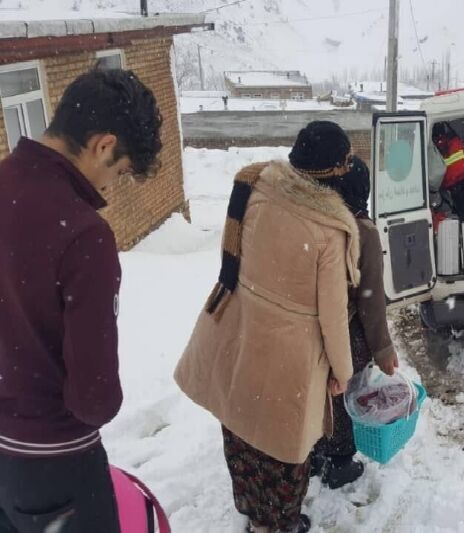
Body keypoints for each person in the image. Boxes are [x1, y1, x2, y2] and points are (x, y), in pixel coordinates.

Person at [174, 121, 360, 533]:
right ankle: (279, 524)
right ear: (334, 171)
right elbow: (333, 316)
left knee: (240, 430)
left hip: (240, 333)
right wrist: (342, 372)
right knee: (282, 452)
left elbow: (232, 254)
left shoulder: (257, 184)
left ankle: (254, 513)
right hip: (289, 357)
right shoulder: (330, 230)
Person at [0, 69, 163, 533]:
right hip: (56, 465)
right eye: (119, 170)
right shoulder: (83, 232)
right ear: (104, 145)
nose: (110, 187)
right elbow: (93, 397)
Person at [313, 156, 399, 489]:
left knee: (321, 392)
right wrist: (382, 348)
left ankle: (315, 453)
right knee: (348, 393)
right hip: (348, 331)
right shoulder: (363, 231)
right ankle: (340, 462)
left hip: (315, 328)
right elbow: (371, 297)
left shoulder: (318, 223)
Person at [432, 122, 464, 220]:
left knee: (463, 212)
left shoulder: (433, 150)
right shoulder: (457, 142)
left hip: (454, 189)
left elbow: (435, 176)